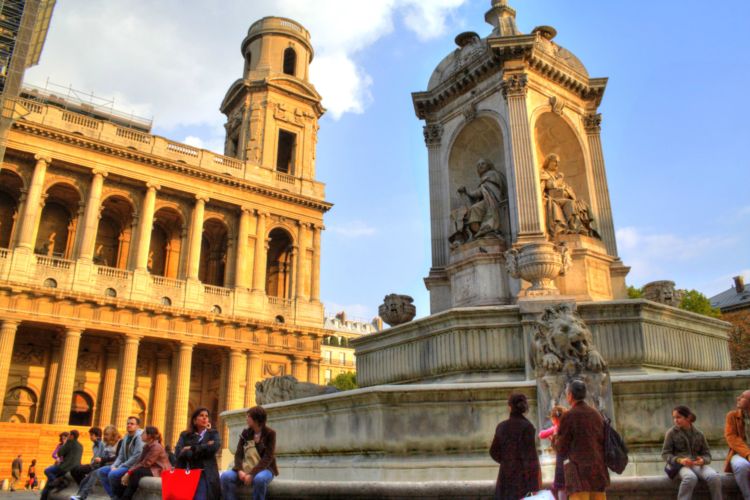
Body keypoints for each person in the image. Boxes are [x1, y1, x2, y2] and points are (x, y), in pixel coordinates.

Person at [555, 379, 609, 500]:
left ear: (570, 395)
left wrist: (554, 440)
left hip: (578, 476)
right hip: (598, 473)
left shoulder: (569, 416)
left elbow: (561, 447)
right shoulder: (596, 414)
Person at [662, 405, 722, 500]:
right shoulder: (671, 433)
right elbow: (665, 454)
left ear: (688, 418)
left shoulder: (699, 434)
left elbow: (707, 454)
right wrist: (680, 460)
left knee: (714, 477)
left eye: (678, 417)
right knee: (690, 478)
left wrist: (703, 460)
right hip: (679, 466)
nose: (675, 420)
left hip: (697, 464)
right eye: (674, 418)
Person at [489, 393, 541, 500]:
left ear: (509, 407)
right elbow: (531, 458)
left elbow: (493, 452)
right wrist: (535, 485)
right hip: (522, 481)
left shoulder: (501, 427)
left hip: (505, 477)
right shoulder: (527, 427)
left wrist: (506, 460)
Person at [221, 406, 279, 500]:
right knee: (225, 477)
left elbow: (268, 457)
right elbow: (238, 454)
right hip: (246, 467)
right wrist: (239, 470)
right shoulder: (245, 433)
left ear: (256, 419)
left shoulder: (270, 433)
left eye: (249, 416)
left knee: (259, 479)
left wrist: (252, 474)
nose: (246, 419)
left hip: (266, 469)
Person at [540, 153, 598, 238]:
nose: (557, 164)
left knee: (577, 203)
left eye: (558, 162)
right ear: (548, 162)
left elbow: (568, 189)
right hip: (553, 198)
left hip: (561, 198)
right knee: (570, 203)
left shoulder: (556, 176)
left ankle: (578, 227)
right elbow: (550, 185)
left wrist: (565, 189)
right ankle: (574, 227)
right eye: (554, 161)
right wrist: (559, 181)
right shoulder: (544, 173)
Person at [176, 407, 222, 500]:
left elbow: (213, 448)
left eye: (206, 416)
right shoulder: (185, 435)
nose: (205, 418)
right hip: (187, 473)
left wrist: (191, 448)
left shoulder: (213, 433)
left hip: (205, 474)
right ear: (194, 420)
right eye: (201, 416)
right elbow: (178, 452)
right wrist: (205, 446)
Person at [96, 416, 143, 499]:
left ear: (137, 426)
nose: (129, 425)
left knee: (112, 474)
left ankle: (118, 496)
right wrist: (114, 465)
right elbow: (120, 455)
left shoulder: (139, 437)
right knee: (101, 471)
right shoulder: (126, 437)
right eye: (128, 423)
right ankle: (114, 496)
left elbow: (137, 455)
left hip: (133, 466)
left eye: (132, 424)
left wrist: (121, 466)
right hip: (124, 464)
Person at [118, 426, 170, 500]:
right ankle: (122, 496)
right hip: (151, 468)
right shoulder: (147, 446)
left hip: (160, 470)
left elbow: (146, 463)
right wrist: (129, 471)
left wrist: (130, 472)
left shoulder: (156, 447)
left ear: (149, 436)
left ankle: (126, 497)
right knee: (129, 472)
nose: (141, 435)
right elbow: (139, 461)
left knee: (137, 473)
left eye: (143, 433)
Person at [72, 425, 121, 500]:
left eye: (107, 434)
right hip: (103, 464)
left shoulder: (119, 443)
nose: (104, 436)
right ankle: (79, 495)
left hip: (113, 464)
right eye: (104, 434)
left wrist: (101, 460)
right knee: (85, 479)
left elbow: (118, 457)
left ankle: (82, 496)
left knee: (94, 474)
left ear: (113, 434)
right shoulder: (106, 443)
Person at [42, 430, 83, 500]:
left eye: (69, 435)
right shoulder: (80, 445)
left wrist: (65, 444)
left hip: (65, 467)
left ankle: (59, 483)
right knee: (50, 482)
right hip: (76, 467)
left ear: (72, 436)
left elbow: (59, 453)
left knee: (47, 471)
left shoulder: (69, 443)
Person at [725, 389, 750, 499]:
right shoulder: (732, 416)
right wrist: (748, 454)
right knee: (741, 466)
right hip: (739, 454)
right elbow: (732, 438)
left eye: (742, 397)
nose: (738, 398)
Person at [539, 406, 567, 500]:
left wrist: (553, 437)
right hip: (571, 461)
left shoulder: (556, 428)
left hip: (562, 461)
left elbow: (541, 434)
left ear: (554, 418)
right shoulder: (568, 426)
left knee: (561, 487)